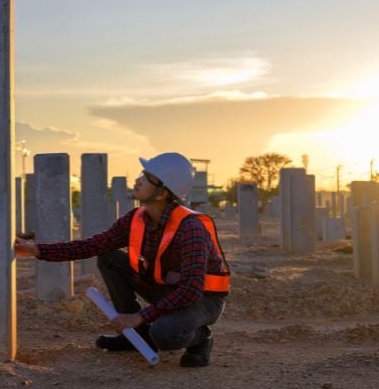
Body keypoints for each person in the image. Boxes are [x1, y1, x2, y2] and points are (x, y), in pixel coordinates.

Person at [14, 152, 230, 367]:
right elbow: (92, 246)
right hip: (168, 290)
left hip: (202, 299)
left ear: (163, 193)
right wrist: (37, 250)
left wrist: (140, 316)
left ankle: (201, 338)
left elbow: (191, 290)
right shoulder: (135, 219)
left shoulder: (191, 228)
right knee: (109, 257)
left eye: (146, 177)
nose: (138, 180)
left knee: (164, 334)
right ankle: (137, 336)